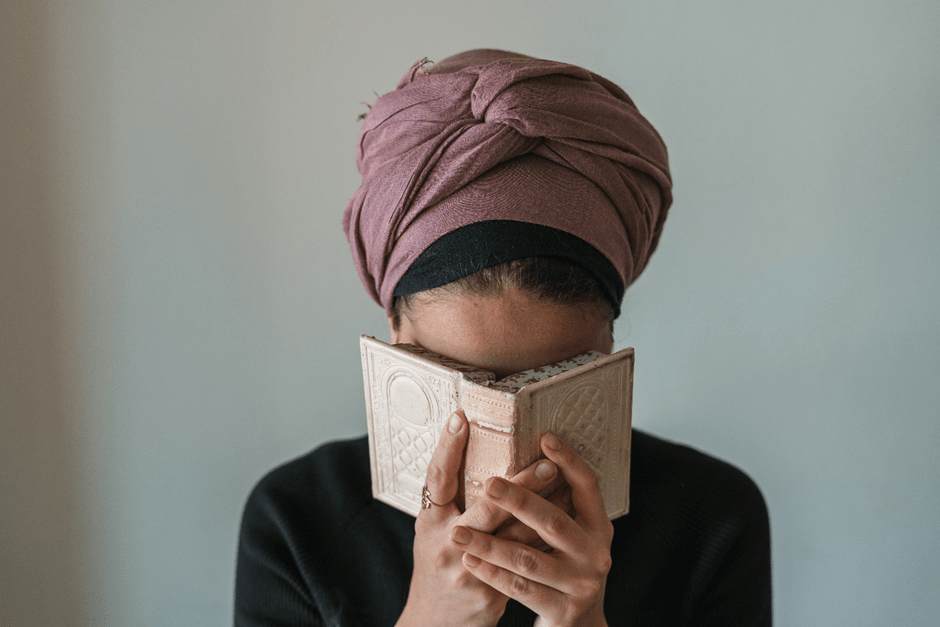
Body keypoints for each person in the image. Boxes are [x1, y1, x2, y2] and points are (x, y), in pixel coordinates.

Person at [234, 49, 772, 627]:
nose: (505, 452)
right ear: (394, 332)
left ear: (609, 349)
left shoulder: (715, 519)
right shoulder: (296, 521)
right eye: (456, 380)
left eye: (551, 382)